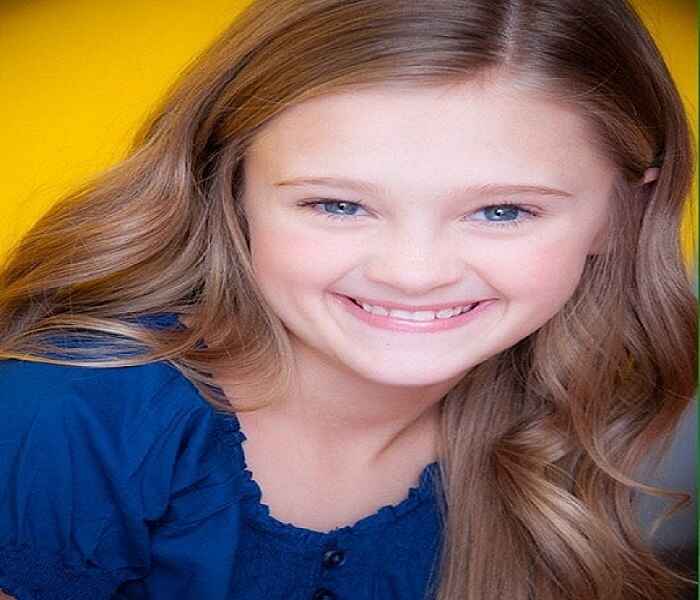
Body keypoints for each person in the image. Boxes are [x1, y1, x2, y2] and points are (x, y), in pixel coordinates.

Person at [0, 0, 696, 598]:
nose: (413, 273)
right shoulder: (69, 417)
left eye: (504, 211)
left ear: (620, 215)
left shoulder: (556, 414)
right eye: (337, 204)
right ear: (229, 190)